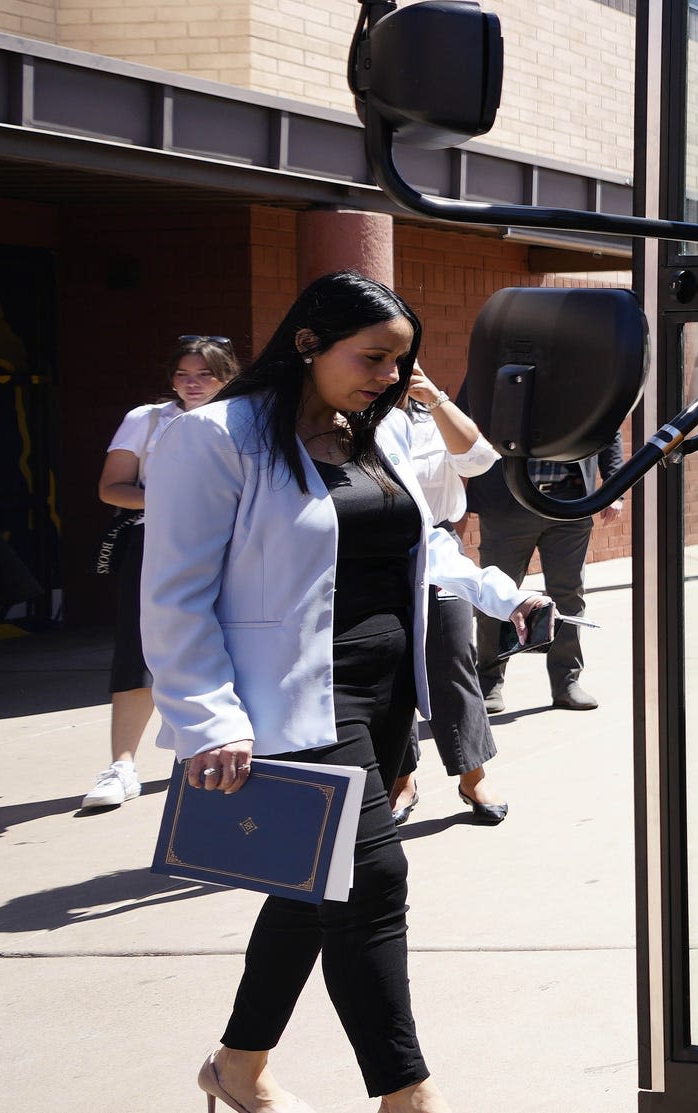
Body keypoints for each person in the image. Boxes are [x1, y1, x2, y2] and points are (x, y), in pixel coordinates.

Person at [143, 271, 547, 1113]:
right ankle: (410, 1097)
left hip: (384, 695)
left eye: (401, 363)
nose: (391, 378)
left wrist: (506, 595)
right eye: (374, 358)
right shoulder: (214, 438)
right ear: (308, 343)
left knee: (309, 887)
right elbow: (174, 594)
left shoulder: (378, 434)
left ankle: (236, 1066)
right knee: (373, 884)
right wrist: (208, 718)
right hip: (293, 704)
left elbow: (416, 546)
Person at [79, 335, 239, 812]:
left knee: (235, 642)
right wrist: (172, 502)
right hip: (155, 542)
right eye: (183, 375)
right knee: (140, 646)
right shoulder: (147, 419)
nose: (192, 384)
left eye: (205, 374)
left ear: (228, 376)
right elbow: (112, 488)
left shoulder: (245, 418)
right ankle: (122, 765)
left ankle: (217, 749)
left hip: (234, 541)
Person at [382, 380, 504, 827]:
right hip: (375, 554)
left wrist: (432, 396)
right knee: (389, 669)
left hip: (438, 547)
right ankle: (402, 778)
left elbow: (478, 459)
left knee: (453, 657)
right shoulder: (352, 420)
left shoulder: (435, 416)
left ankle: (473, 775)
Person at [469, 429, 619, 717]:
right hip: (506, 504)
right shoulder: (495, 381)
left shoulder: (585, 384)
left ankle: (567, 683)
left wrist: (614, 485)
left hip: (570, 503)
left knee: (569, 596)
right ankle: (488, 682)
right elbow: (466, 422)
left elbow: (607, 428)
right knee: (495, 595)